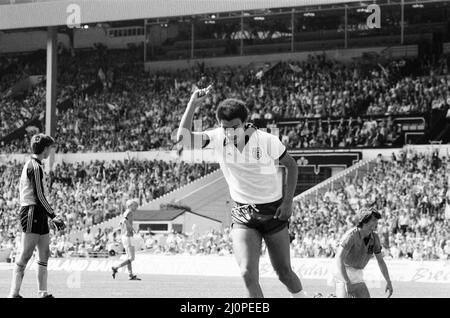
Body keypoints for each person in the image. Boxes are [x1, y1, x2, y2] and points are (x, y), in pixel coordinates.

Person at [177, 86, 306, 298]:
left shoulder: (266, 140)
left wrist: (288, 202)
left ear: (245, 123)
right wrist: (192, 104)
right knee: (247, 273)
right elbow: (184, 139)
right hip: (242, 213)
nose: (229, 132)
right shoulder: (217, 137)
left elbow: (291, 166)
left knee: (284, 273)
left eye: (235, 127)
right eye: (224, 127)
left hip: (273, 210)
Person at [8, 134, 66, 298]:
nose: (50, 151)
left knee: (44, 252)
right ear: (46, 149)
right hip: (32, 210)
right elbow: (39, 196)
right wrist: (53, 216)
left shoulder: (36, 165)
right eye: (50, 148)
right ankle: (13, 293)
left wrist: (49, 215)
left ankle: (42, 292)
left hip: (38, 212)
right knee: (25, 254)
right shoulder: (34, 166)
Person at [335, 206, 393, 298]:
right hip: (343, 273)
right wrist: (347, 282)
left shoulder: (375, 238)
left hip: (358, 274)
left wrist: (388, 281)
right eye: (374, 220)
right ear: (365, 220)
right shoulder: (352, 236)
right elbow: (339, 259)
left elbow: (381, 261)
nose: (376, 222)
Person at [111, 198, 141, 280]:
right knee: (131, 258)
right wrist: (131, 228)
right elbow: (124, 221)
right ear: (130, 206)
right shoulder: (129, 212)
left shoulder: (126, 212)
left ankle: (130, 275)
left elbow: (121, 221)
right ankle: (116, 267)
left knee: (128, 257)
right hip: (128, 236)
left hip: (124, 236)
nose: (137, 207)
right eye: (135, 205)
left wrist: (124, 226)